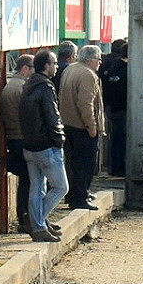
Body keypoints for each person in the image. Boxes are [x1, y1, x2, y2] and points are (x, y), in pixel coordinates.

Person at [19, 50, 68, 242]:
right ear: (45, 66)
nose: (56, 67)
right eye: (54, 63)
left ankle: (39, 224)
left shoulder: (29, 84)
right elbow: (52, 117)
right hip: (46, 146)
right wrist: (59, 140)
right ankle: (36, 221)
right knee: (61, 187)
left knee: (37, 187)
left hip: (29, 145)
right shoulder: (45, 87)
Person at [59, 45, 105, 211]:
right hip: (81, 127)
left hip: (67, 123)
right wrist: (92, 126)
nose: (100, 63)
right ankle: (80, 197)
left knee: (72, 163)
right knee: (85, 164)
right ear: (91, 59)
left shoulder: (70, 69)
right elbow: (86, 104)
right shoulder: (88, 75)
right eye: (99, 59)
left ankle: (74, 194)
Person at [1, 55, 34, 233]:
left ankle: (24, 217)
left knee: (26, 181)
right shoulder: (22, 88)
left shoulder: (11, 86)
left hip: (14, 138)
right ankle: (26, 218)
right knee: (29, 181)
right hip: (21, 138)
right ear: (25, 69)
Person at [106, 42, 128, 176]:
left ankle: (113, 167)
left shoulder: (113, 66)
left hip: (112, 108)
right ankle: (119, 167)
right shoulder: (128, 69)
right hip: (123, 109)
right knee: (121, 139)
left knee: (114, 139)